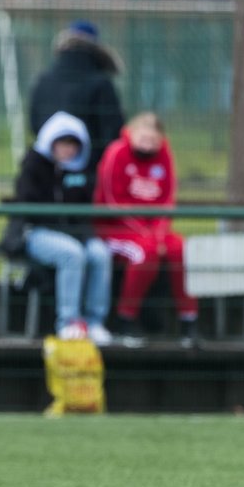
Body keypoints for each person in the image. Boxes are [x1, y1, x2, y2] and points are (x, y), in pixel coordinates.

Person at [95, 112, 199, 347]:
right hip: (117, 229)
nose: (148, 145)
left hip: (153, 232)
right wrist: (146, 234)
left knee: (180, 249)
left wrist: (158, 233)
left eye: (153, 141)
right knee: (146, 253)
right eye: (143, 139)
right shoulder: (117, 153)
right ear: (132, 134)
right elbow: (113, 202)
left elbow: (167, 201)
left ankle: (188, 320)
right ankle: (125, 319)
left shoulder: (164, 157)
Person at [13, 111, 113, 343]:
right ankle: (68, 322)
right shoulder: (34, 166)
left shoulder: (82, 171)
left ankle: (94, 322)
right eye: (63, 143)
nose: (68, 149)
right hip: (38, 233)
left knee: (99, 254)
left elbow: (85, 209)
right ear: (51, 142)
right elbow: (27, 205)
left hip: (76, 234)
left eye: (73, 144)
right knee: (72, 254)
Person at [29, 19, 125, 178]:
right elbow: (112, 130)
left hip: (49, 168)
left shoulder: (43, 80)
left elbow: (34, 123)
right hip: (91, 172)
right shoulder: (101, 83)